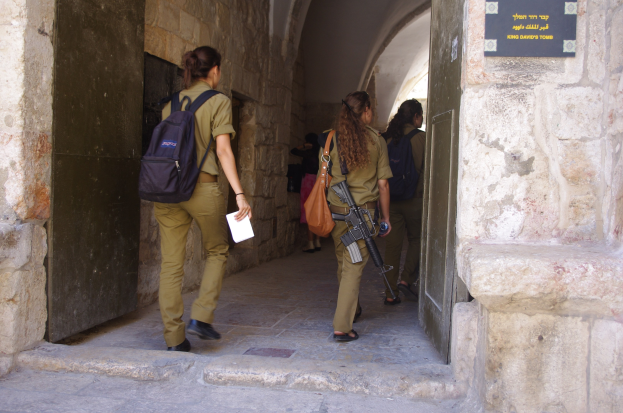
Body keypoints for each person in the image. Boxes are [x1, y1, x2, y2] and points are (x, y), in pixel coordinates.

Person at [154, 46, 252, 352]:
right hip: (202, 188)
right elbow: (223, 151)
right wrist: (239, 193)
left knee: (171, 265)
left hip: (168, 190)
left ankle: (174, 338)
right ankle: (202, 316)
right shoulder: (219, 101)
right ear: (215, 71)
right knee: (218, 250)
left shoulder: (169, 104)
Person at [321, 91, 392, 342]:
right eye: (370, 109)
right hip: (362, 214)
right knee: (353, 267)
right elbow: (383, 185)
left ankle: (354, 307)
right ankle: (342, 325)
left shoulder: (330, 139)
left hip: (336, 214)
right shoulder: (376, 141)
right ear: (366, 111)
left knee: (344, 261)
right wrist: (386, 217)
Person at [381, 99, 426, 304]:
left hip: (391, 200)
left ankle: (390, 294)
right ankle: (406, 279)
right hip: (414, 199)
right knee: (417, 240)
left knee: (392, 247)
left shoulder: (388, 139)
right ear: (416, 116)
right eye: (421, 116)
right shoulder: (422, 138)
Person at [290, 133, 321, 252]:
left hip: (308, 182)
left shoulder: (309, 153)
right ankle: (318, 242)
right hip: (318, 183)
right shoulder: (321, 154)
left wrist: (304, 145)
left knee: (309, 213)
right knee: (317, 213)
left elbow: (293, 151)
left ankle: (310, 244)